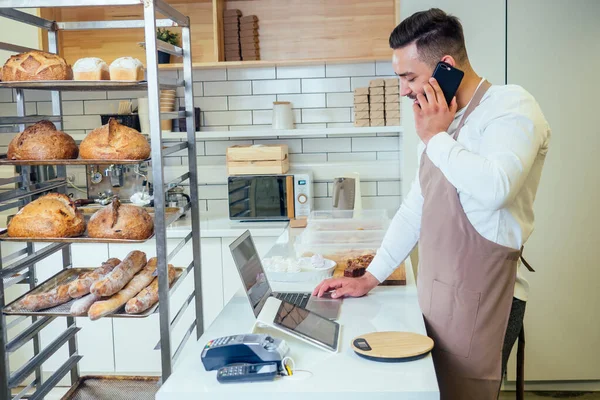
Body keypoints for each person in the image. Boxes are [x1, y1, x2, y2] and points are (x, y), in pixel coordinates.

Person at [313, 8, 551, 400]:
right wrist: (369, 278)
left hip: (486, 301)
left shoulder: (511, 107)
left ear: (445, 66)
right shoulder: (445, 123)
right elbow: (414, 210)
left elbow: (497, 188)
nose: (404, 90)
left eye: (409, 77)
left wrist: (436, 137)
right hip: (438, 298)